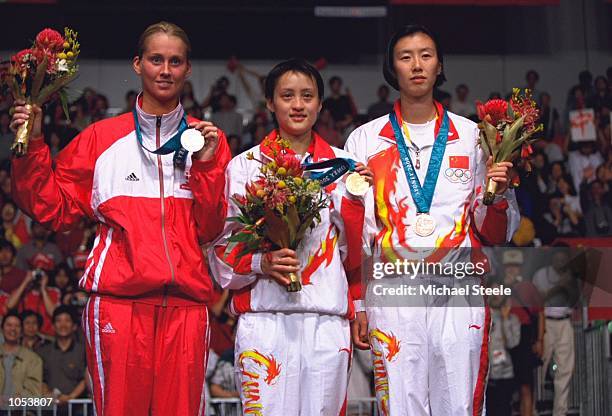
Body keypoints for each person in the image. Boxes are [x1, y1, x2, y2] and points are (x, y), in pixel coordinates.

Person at [9, 21, 231, 415]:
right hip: (118, 305)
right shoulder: (100, 139)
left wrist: (209, 168)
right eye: (156, 59)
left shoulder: (207, 140)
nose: (165, 70)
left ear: (187, 69)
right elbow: (52, 208)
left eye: (175, 61)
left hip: (187, 308)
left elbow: (210, 229)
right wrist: (34, 144)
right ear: (137, 64)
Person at [344, 25, 519, 415]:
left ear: (440, 65)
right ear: (393, 69)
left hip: (458, 290)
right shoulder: (365, 140)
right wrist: (358, 303)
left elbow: (495, 231)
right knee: (401, 403)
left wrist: (500, 193)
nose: (417, 65)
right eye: (405, 57)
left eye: (426, 55)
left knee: (458, 402)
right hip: (393, 290)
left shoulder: (473, 136)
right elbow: (360, 231)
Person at [209, 58, 373, 415]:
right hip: (265, 320)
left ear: (319, 104)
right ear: (270, 102)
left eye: (307, 96)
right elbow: (221, 252)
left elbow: (358, 253)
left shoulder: (345, 168)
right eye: (287, 95)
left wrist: (356, 205)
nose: (298, 105)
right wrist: (261, 262)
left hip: (327, 321)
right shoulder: (244, 167)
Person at [532, 247, 577, 416]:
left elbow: (575, 301)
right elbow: (539, 299)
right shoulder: (541, 275)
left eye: (564, 259)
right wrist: (560, 286)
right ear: (552, 259)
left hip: (565, 321)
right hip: (546, 323)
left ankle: (560, 412)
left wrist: (570, 286)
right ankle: (533, 409)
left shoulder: (570, 276)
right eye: (558, 259)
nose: (561, 262)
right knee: (539, 368)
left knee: (565, 369)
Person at [502, 250, 544, 416]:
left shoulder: (528, 286)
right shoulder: (498, 287)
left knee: (525, 385)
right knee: (504, 385)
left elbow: (540, 312)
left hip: (524, 336)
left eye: (515, 266)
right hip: (504, 336)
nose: (512, 270)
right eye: (509, 267)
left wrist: (540, 340)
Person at [36, 306, 87, 412]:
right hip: (50, 408)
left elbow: (86, 379)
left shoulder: (83, 351)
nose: (63, 325)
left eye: (67, 321)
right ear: (53, 326)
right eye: (59, 321)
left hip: (78, 408)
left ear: (74, 326)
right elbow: (40, 378)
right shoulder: (43, 351)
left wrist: (70, 398)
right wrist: (48, 394)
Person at [486, 279, 521, 416]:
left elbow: (512, 343)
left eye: (498, 291)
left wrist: (505, 320)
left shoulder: (512, 320)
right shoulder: (479, 317)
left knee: (503, 410)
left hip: (504, 374)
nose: (495, 295)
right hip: (485, 376)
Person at [0, 311, 42, 403]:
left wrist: (14, 400)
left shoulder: (33, 359)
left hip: (21, 411)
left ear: (21, 330)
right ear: (2, 328)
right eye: (9, 325)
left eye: (17, 326)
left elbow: (34, 390)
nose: (13, 329)